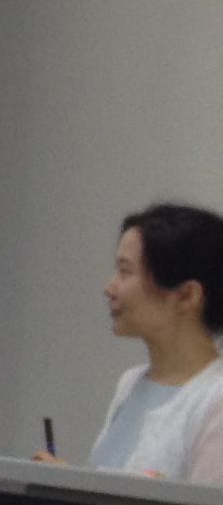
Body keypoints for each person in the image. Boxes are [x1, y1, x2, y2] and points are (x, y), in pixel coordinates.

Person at [81, 204, 223, 482]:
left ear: (187, 295)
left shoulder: (214, 401)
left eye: (125, 272)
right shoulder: (130, 384)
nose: (110, 289)